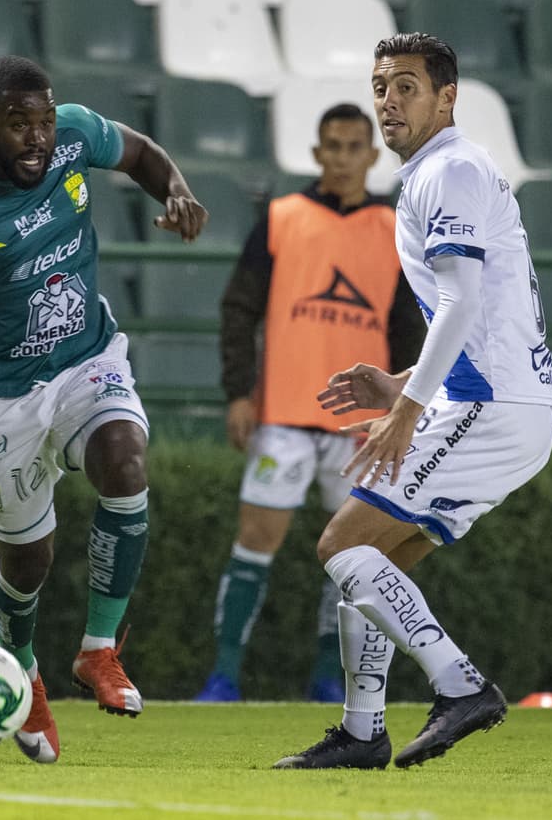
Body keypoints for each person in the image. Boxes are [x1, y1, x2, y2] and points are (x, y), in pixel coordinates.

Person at [0, 54, 205, 764]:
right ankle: (21, 668)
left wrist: (176, 190)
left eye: (44, 120)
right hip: (4, 395)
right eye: (17, 123)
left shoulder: (76, 137)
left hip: (88, 358)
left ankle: (97, 650)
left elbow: (144, 153)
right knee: (27, 559)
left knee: (123, 461)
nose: (36, 137)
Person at [272, 32, 552, 770]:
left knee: (341, 544)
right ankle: (363, 731)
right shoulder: (445, 171)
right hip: (505, 405)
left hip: (488, 409)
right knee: (379, 560)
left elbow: (460, 303)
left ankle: (462, 685)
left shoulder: (449, 171)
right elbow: (482, 315)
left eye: (406, 86)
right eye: (381, 87)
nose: (389, 101)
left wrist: (407, 410)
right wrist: (402, 383)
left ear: (447, 97)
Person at [195, 103, 425, 704]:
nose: (344, 157)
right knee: (255, 542)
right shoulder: (281, 218)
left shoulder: (394, 229)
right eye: (333, 146)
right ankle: (224, 676)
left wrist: (404, 408)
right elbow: (238, 309)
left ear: (373, 156)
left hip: (361, 425)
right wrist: (237, 391)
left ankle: (331, 679)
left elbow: (409, 330)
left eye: (356, 147)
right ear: (318, 152)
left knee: (355, 552)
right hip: (285, 416)